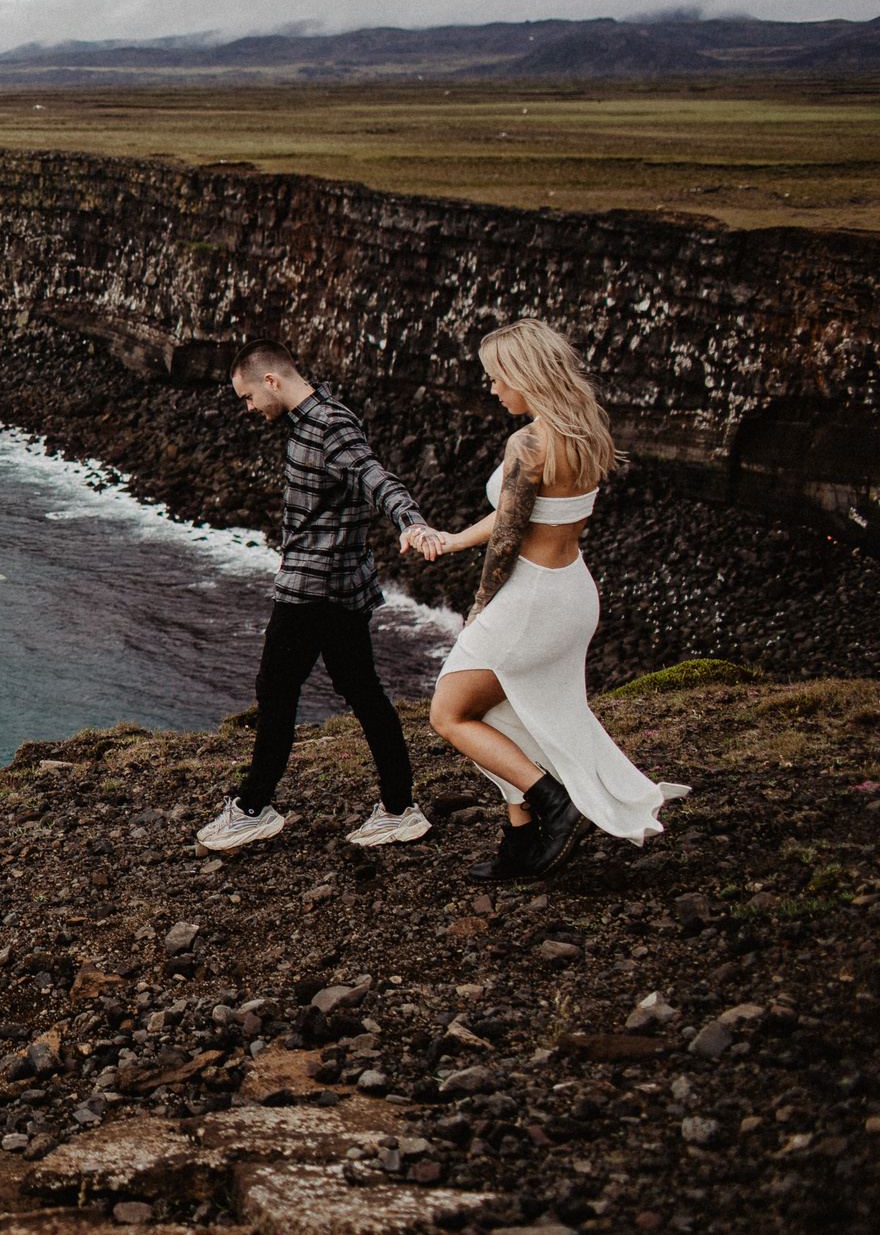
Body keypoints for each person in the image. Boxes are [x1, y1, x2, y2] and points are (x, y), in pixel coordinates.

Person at [419, 319, 687, 880]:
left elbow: (510, 538)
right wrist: (453, 539)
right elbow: (525, 512)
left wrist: (479, 607)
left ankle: (554, 803)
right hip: (571, 590)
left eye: (497, 378)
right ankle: (519, 838)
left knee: (448, 713)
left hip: (529, 598)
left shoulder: (530, 442)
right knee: (500, 712)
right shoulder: (583, 429)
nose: (492, 390)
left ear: (524, 375)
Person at [196, 341, 439, 853]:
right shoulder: (312, 421)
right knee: (362, 691)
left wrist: (411, 521)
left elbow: (377, 478)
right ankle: (400, 808)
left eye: (246, 398)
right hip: (339, 581)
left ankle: (253, 809)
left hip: (314, 586)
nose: (248, 409)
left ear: (271, 382)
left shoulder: (329, 424)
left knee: (276, 687)